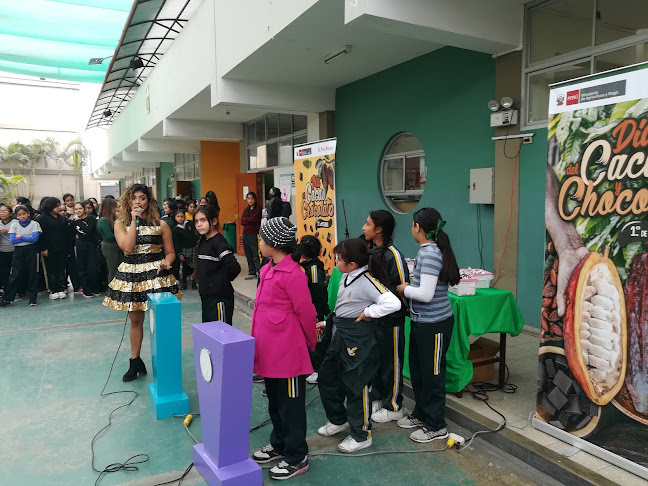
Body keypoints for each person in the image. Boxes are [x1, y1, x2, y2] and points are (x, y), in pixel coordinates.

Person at [316, 239, 400, 452]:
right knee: (327, 376)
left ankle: (361, 434)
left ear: (352, 264)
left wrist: (369, 313)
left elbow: (393, 303)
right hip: (339, 335)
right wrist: (328, 323)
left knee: (356, 384)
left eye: (338, 259)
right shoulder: (346, 277)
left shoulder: (366, 281)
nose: (335, 261)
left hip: (358, 339)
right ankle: (338, 419)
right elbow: (346, 306)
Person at [250, 217, 317, 480]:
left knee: (291, 407)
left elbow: (306, 312)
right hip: (269, 354)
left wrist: (311, 342)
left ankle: (296, 455)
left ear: (274, 244)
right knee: (276, 404)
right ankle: (280, 444)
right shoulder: (268, 268)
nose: (259, 242)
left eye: (262, 239)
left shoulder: (293, 274)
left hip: (288, 355)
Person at [104, 183, 181, 382]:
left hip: (156, 276)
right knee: (136, 321)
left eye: (142, 198)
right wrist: (134, 221)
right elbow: (128, 247)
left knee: (161, 321)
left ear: (149, 201)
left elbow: (171, 252)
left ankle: (165, 361)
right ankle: (135, 360)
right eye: (134, 198)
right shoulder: (120, 224)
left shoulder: (161, 224)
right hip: (132, 276)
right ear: (127, 201)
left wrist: (167, 262)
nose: (138, 202)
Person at [395, 207, 460, 443]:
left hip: (435, 325)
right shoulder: (426, 250)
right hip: (422, 323)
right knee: (420, 371)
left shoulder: (431, 254)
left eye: (412, 224)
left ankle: (436, 425)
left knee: (432, 375)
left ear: (417, 227)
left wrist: (404, 289)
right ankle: (421, 414)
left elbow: (426, 294)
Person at [362, 210, 410, 423]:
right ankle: (378, 398)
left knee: (392, 363)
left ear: (378, 229)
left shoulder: (393, 255)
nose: (364, 228)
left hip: (392, 320)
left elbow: (401, 288)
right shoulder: (371, 251)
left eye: (367, 224)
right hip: (375, 318)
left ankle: (394, 405)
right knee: (376, 362)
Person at [194, 205, 241, 323]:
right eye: (196, 221)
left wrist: (220, 281)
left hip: (220, 299)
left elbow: (234, 268)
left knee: (221, 335)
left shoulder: (219, 243)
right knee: (210, 335)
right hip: (206, 297)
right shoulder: (204, 241)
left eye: (203, 220)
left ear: (214, 221)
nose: (199, 224)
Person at [297, 235, 331, 385]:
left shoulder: (314, 269)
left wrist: (323, 309)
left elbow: (318, 292)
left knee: (317, 341)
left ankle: (316, 370)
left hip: (315, 310)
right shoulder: (305, 267)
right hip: (310, 310)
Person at [0, 205, 42, 307]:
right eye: (19, 215)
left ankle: (33, 298)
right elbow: (12, 240)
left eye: (24, 214)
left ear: (28, 213)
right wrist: (27, 237)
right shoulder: (14, 225)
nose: (22, 216)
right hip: (19, 250)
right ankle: (8, 298)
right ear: (16, 216)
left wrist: (21, 236)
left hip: (32, 250)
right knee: (15, 274)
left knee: (32, 273)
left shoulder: (34, 224)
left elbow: (34, 239)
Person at [36, 197, 70, 300]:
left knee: (61, 269)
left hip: (61, 248)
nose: (59, 207)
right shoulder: (41, 218)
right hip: (49, 249)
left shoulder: (61, 218)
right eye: (56, 206)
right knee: (50, 270)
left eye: (59, 205)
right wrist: (43, 248)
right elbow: (40, 235)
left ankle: (60, 288)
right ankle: (53, 289)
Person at [73, 202, 100, 297]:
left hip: (91, 245)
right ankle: (86, 289)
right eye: (76, 209)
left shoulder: (91, 218)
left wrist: (79, 222)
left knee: (92, 267)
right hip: (80, 245)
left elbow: (88, 230)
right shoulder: (73, 221)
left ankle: (94, 287)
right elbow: (72, 233)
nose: (78, 211)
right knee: (81, 267)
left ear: (84, 209)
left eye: (80, 208)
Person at [98, 198, 124, 284]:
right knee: (113, 270)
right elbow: (109, 236)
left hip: (114, 246)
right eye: (114, 207)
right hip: (109, 246)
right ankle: (112, 289)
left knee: (119, 268)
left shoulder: (111, 220)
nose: (116, 209)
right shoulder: (103, 220)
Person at [172, 210, 198, 289]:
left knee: (194, 265)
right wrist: (179, 253)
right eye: (178, 217)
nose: (180, 219)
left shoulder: (190, 224)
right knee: (185, 266)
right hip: (184, 249)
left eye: (182, 216)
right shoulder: (175, 229)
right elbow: (176, 242)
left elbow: (196, 234)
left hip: (193, 247)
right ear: (175, 217)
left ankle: (194, 282)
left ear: (185, 217)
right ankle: (184, 283)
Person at [241, 191, 262, 280]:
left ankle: (259, 271)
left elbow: (255, 219)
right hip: (245, 233)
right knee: (248, 252)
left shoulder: (258, 209)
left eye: (252, 199)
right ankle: (251, 271)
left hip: (253, 233)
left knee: (255, 252)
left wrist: (247, 220)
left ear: (255, 199)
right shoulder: (246, 210)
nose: (250, 201)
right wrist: (248, 220)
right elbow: (242, 221)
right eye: (248, 199)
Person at [0, 204, 15, 295]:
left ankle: (19, 289)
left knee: (16, 271)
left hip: (15, 249)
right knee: (3, 271)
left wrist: (8, 231)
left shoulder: (16, 222)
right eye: (1, 211)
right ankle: (6, 289)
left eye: (5, 211)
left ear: (10, 213)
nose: (2, 213)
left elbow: (21, 233)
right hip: (2, 250)